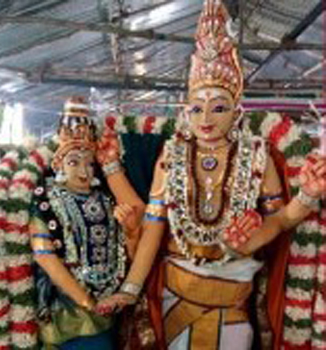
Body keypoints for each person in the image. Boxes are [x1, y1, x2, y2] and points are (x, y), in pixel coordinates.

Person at [94, 1, 326, 348]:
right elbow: (155, 228)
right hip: (176, 292)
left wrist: (307, 196)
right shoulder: (172, 156)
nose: (206, 118)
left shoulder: (255, 156)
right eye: (197, 107)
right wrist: (130, 289)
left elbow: (278, 223)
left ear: (236, 111)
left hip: (231, 295)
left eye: (218, 107)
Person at [28, 97, 140, 349]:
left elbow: (126, 252)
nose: (84, 171)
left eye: (90, 163)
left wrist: (132, 231)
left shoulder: (106, 200)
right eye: (73, 162)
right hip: (65, 313)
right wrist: (87, 301)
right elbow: (45, 257)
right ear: (58, 165)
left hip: (106, 311)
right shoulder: (44, 201)